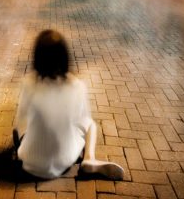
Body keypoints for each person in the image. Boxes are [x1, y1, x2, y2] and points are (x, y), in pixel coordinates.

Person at [13, 30, 125, 180]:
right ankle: (89, 158)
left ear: (38, 58)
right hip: (64, 161)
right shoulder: (76, 86)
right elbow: (81, 118)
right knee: (90, 124)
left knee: (21, 127)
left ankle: (29, 148)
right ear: (64, 57)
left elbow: (21, 119)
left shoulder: (29, 83)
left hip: (30, 162)